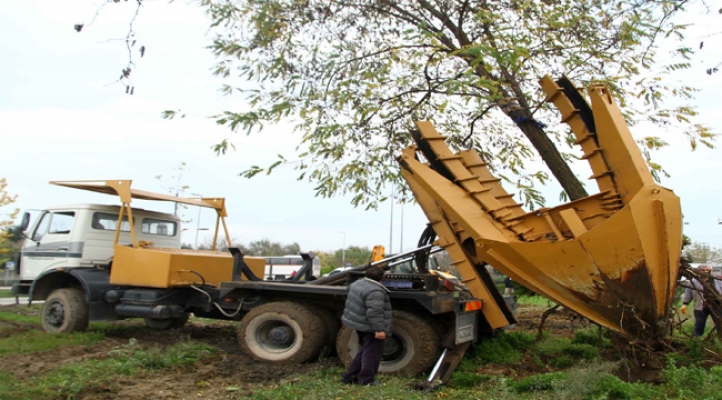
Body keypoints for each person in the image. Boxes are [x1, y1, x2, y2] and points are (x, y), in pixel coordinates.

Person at [340, 266, 392, 386]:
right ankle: (366, 380)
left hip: (358, 323)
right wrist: (379, 330)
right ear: (383, 277)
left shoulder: (357, 283)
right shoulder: (376, 292)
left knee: (365, 350)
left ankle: (349, 377)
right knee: (372, 354)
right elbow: (374, 313)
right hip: (369, 326)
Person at [681, 265, 722, 337]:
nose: (705, 271)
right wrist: (685, 304)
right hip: (701, 306)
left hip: (716, 306)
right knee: (699, 325)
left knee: (720, 325)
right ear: (699, 271)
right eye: (703, 270)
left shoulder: (717, 280)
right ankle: (696, 340)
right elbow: (688, 293)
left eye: (707, 270)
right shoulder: (693, 281)